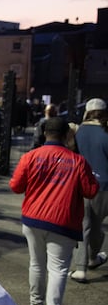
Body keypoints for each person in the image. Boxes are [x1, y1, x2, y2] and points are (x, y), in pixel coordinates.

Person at [10, 117, 98, 305]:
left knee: (36, 264)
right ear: (67, 134)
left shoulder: (30, 157)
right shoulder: (78, 161)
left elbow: (16, 186)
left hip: (33, 218)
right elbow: (90, 191)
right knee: (58, 269)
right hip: (63, 221)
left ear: (44, 133)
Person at [70, 98, 108, 283]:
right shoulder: (106, 130)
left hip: (83, 184)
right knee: (96, 225)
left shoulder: (79, 131)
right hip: (104, 186)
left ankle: (81, 268)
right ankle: (93, 257)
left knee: (84, 226)